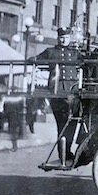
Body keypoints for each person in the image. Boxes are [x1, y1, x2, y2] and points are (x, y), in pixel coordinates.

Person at [30, 26, 84, 164]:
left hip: (73, 92)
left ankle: (68, 151)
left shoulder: (75, 52)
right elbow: (35, 59)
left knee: (73, 122)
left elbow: (87, 61)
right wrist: (34, 59)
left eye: (66, 37)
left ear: (69, 38)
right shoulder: (50, 52)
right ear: (58, 38)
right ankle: (63, 154)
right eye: (61, 37)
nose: (63, 40)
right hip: (57, 92)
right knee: (62, 123)